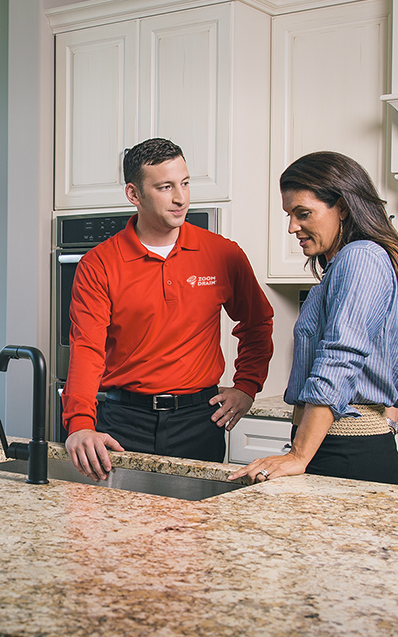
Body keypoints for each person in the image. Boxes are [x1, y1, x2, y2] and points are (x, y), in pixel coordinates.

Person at [62, 138, 274, 481]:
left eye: (185, 183)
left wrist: (247, 385)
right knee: (118, 526)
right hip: (121, 422)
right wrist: (81, 424)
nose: (181, 198)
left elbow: (257, 321)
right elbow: (87, 348)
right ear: (134, 194)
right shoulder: (99, 264)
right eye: (165, 187)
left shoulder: (223, 254)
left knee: (193, 529)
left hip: (198, 422)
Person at [229, 151, 398, 487]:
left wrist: (300, 454)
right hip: (346, 447)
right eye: (290, 214)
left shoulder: (360, 257)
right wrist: (379, 428)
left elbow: (340, 359)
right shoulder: (358, 261)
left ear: (343, 207)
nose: (292, 227)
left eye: (303, 213)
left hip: (345, 452)